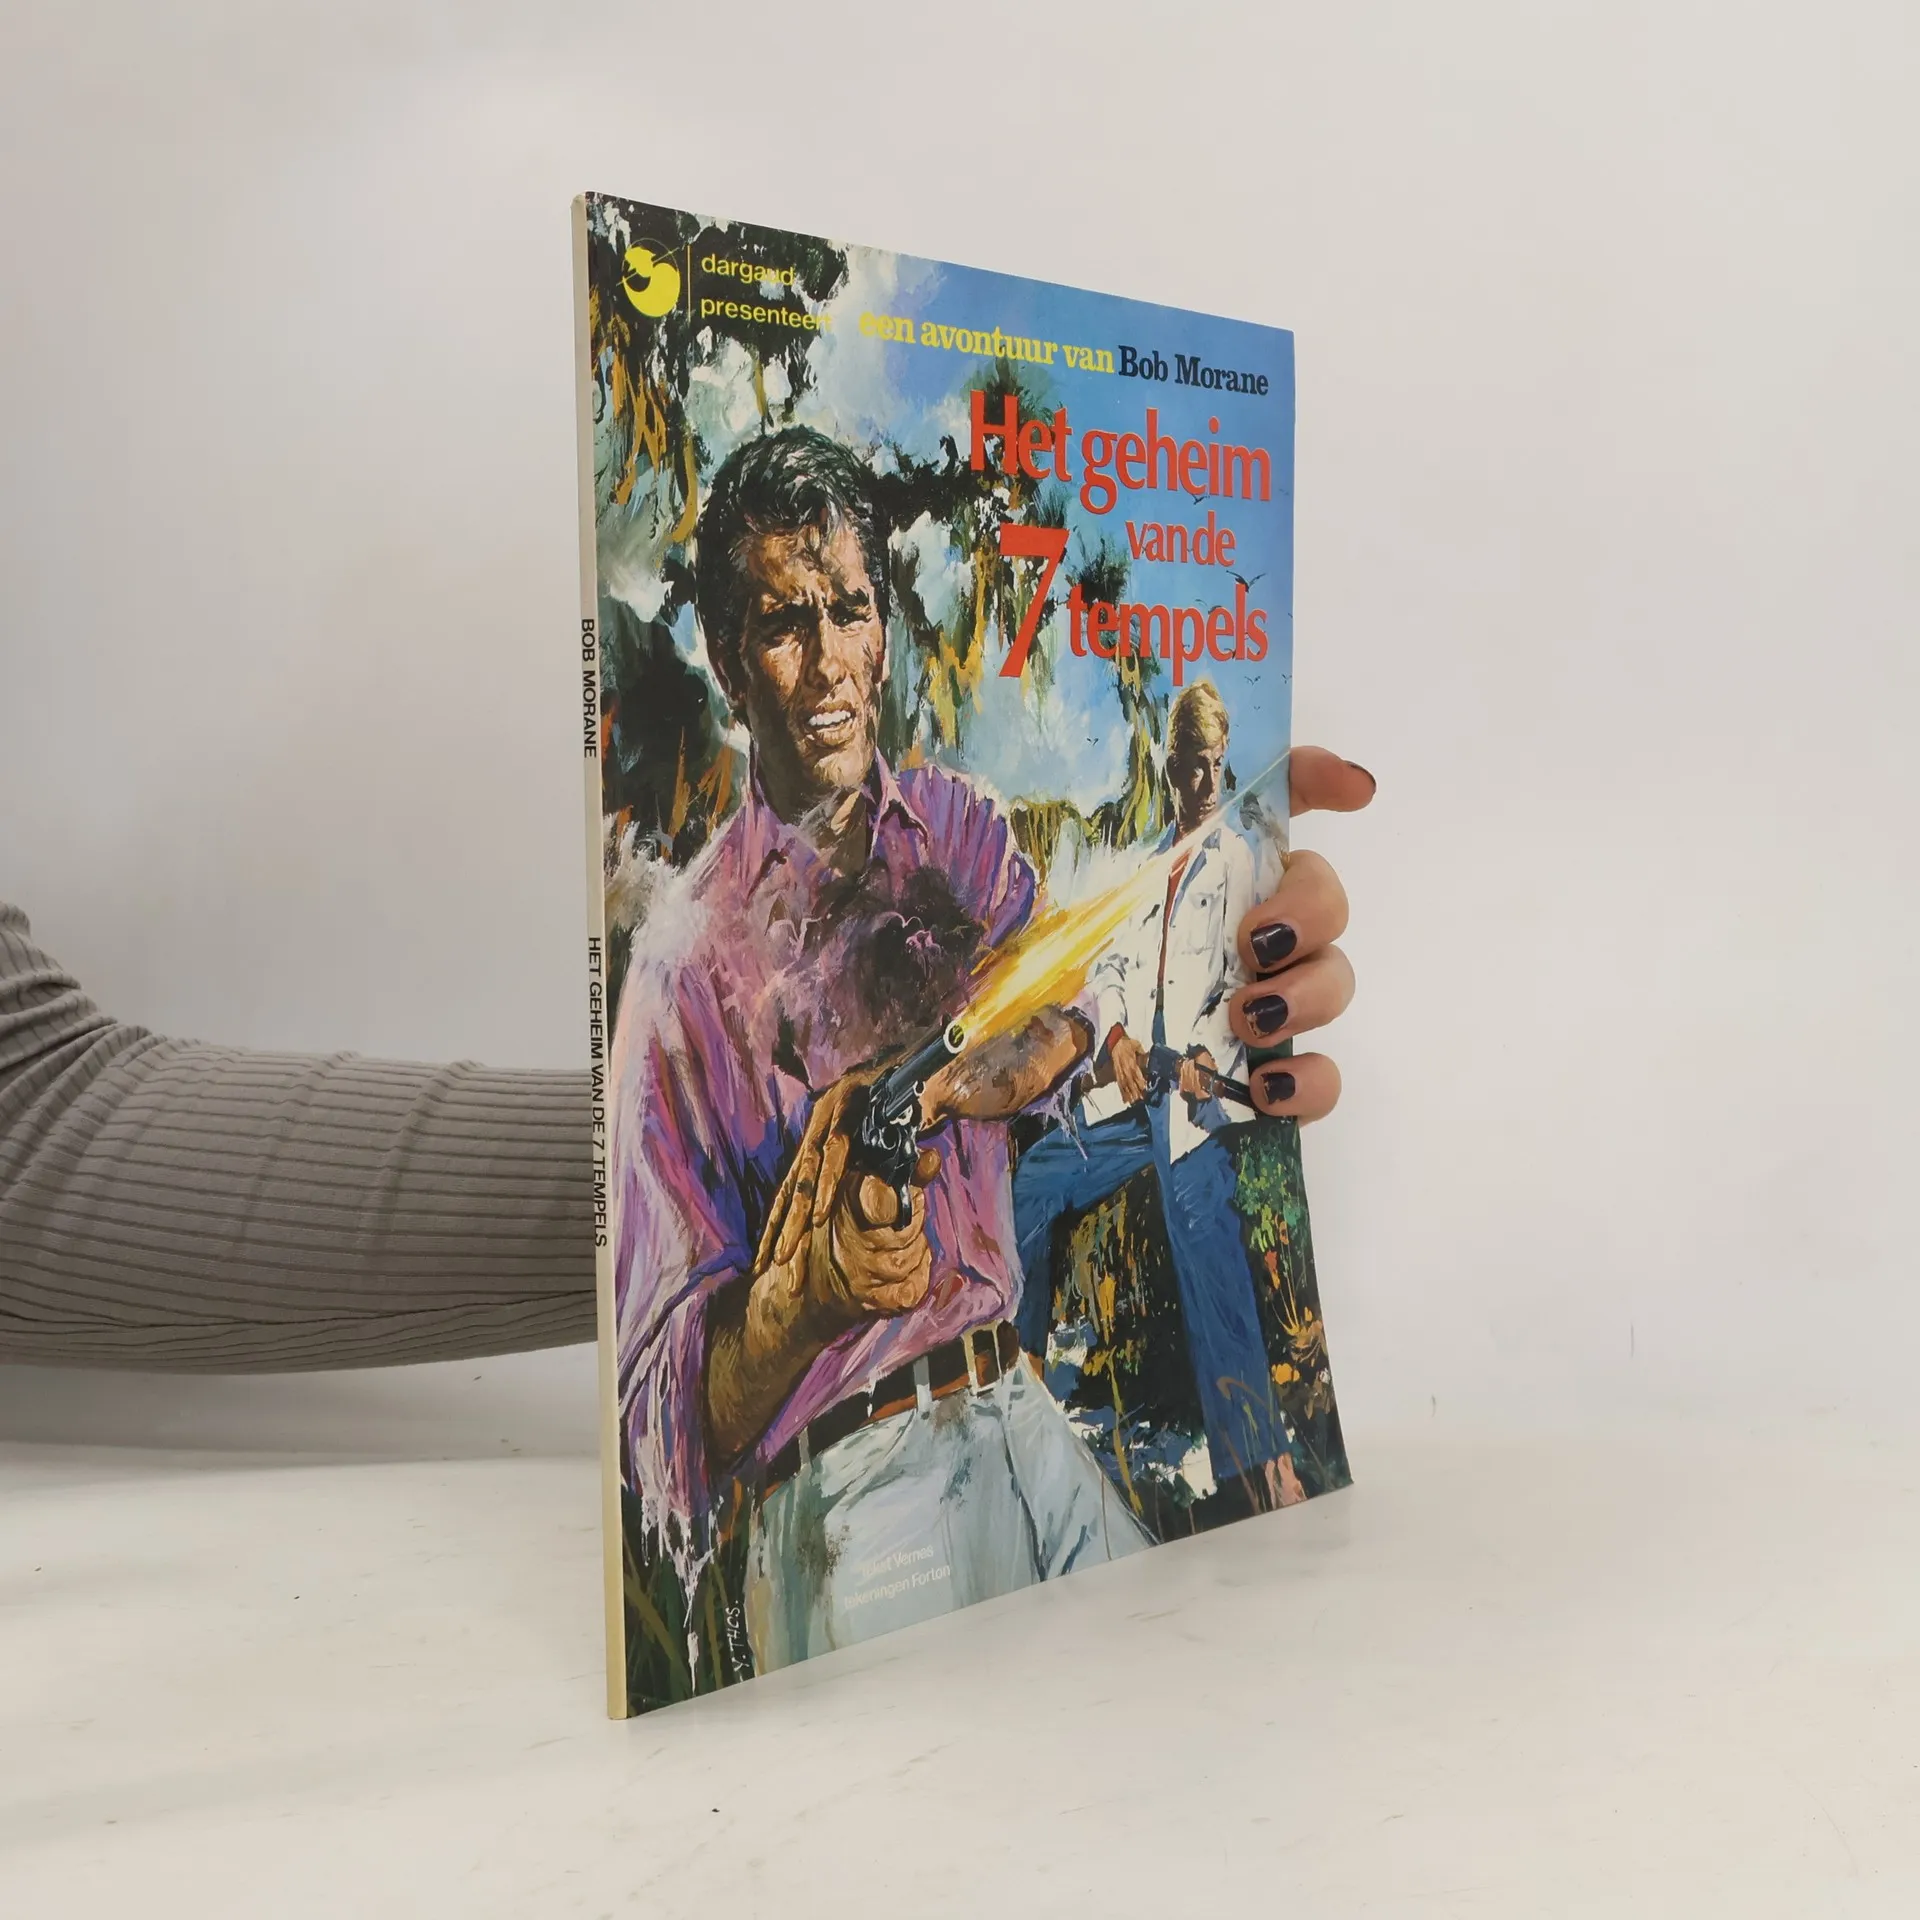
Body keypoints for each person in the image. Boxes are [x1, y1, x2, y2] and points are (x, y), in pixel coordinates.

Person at [1012, 682, 1302, 1513]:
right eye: (1189, 765)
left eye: (1214, 765)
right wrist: (1115, 1041)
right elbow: (1111, 968)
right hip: (1137, 1100)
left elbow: (1243, 981)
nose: (1202, 781)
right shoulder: (1148, 866)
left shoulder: (1240, 862)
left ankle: (1263, 1471)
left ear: (1223, 764)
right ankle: (1021, 1379)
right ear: (1169, 767)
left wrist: (1204, 1050)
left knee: (1209, 1254)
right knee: (1038, 1178)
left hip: (1197, 1106)